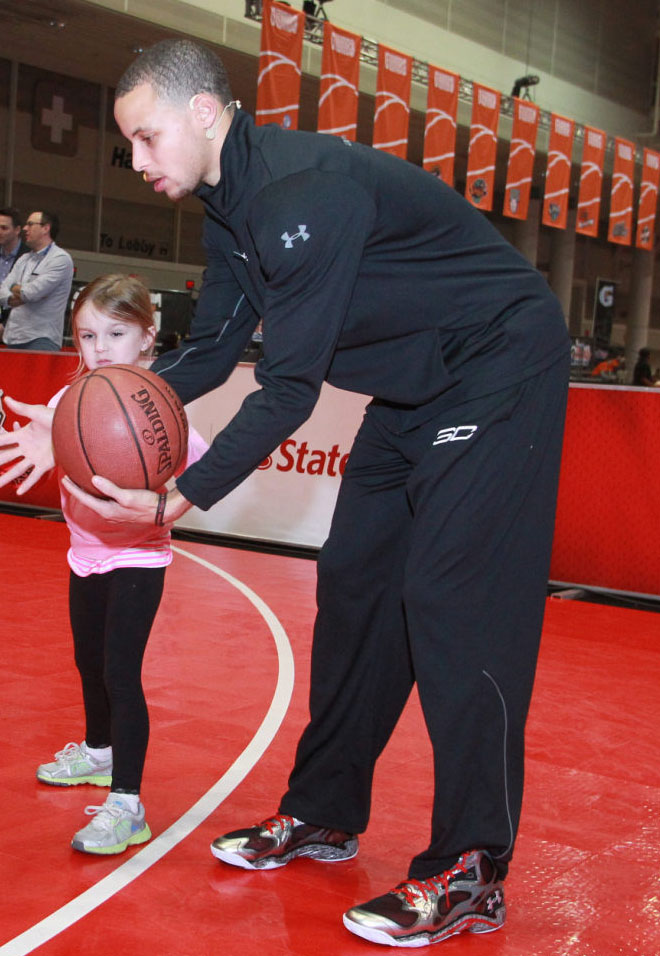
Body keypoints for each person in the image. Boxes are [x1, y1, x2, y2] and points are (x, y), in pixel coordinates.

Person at [0, 39, 570, 946]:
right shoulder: (229, 211)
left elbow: (290, 386)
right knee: (353, 585)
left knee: (453, 597)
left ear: (201, 112)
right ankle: (327, 812)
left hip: (499, 361)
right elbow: (214, 352)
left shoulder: (301, 195)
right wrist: (70, 410)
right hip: (414, 387)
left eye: (145, 139)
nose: (138, 161)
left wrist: (175, 496)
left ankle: (471, 866)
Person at [7, 274, 206, 855]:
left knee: (121, 672)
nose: (99, 348)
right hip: (84, 554)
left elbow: (205, 470)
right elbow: (50, 446)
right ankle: (98, 753)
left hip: (139, 557)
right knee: (87, 661)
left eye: (115, 334)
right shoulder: (69, 399)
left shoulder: (161, 411)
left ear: (148, 338)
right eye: (87, 335)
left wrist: (167, 497)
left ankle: (127, 804)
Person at [0, 210, 73, 351]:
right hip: (13, 337)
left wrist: (14, 287)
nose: (25, 229)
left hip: (41, 339)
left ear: (46, 228)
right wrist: (11, 298)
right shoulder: (24, 258)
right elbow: (2, 290)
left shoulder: (60, 259)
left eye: (30, 224)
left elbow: (31, 293)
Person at [0, 207, 30, 333]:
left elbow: (28, 298)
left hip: (17, 326)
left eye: (4, 228)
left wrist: (6, 326)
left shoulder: (30, 257)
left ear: (17, 230)